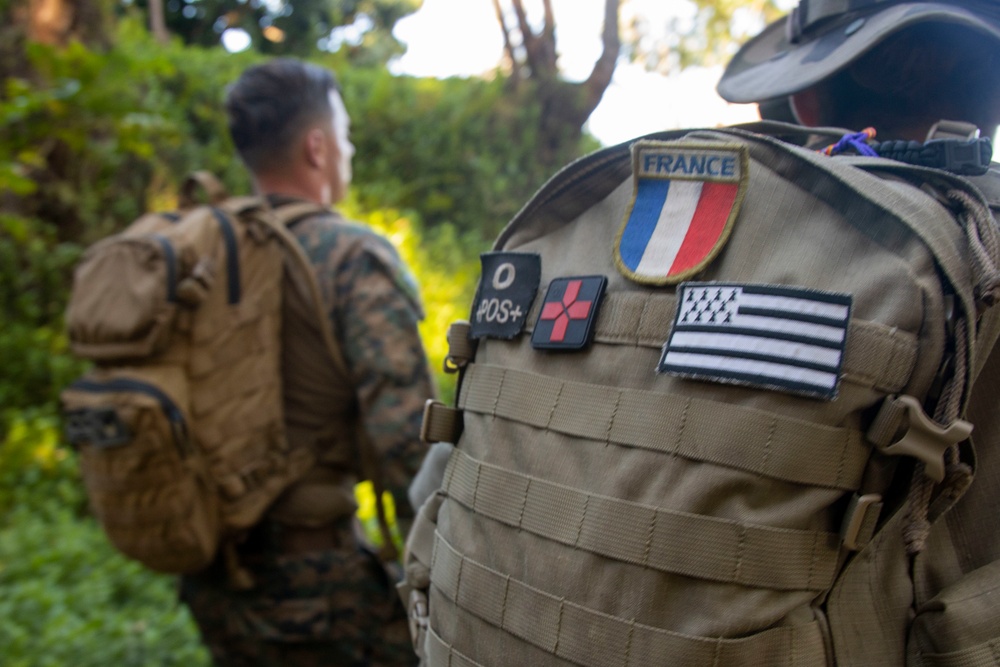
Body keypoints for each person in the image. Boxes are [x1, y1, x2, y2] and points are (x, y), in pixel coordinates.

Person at [180, 58, 432, 667]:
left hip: (211, 571)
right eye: (343, 134)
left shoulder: (198, 249)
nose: (348, 148)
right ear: (317, 148)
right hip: (320, 588)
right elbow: (408, 442)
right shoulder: (351, 254)